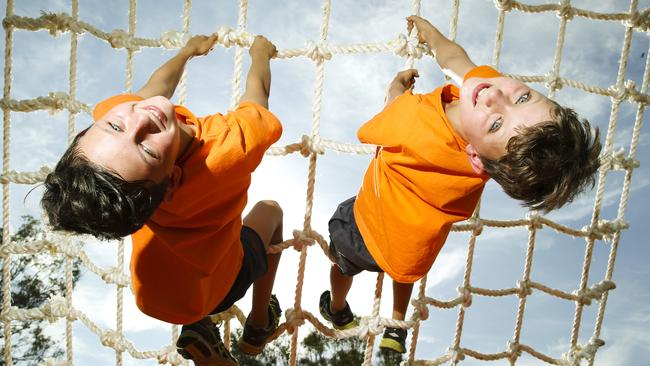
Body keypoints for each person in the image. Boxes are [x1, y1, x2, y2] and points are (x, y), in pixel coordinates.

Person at [319, 15, 601, 354]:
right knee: (405, 269)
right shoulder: (488, 129)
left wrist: (398, 86)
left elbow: (385, 112)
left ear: (476, 158)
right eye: (523, 98)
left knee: (341, 263)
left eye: (496, 124)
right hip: (410, 251)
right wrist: (434, 38)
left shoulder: (412, 121)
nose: (496, 97)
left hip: (362, 228)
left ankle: (337, 308)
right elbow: (459, 62)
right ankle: (395, 328)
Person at [41, 34, 284, 365]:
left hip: (153, 295)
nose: (140, 118)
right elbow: (258, 94)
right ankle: (259, 322)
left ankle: (198, 328)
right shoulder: (227, 149)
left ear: (93, 127)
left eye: (114, 125)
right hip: (218, 288)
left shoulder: (135, 182)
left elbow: (155, 90)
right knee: (271, 211)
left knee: (192, 262)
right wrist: (260, 54)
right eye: (146, 147)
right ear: (171, 182)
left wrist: (187, 52)